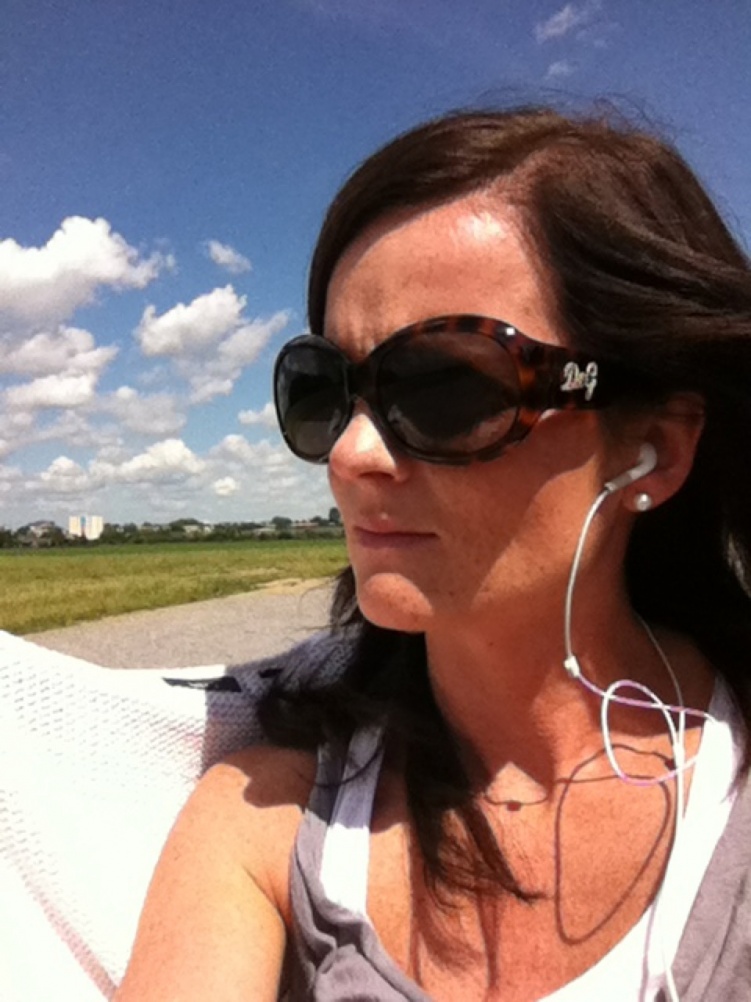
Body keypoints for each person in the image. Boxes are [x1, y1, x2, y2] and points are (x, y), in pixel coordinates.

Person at [114, 106, 751, 1001]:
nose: (349, 454)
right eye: (325, 389)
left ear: (653, 449)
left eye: (447, 385)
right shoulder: (264, 821)